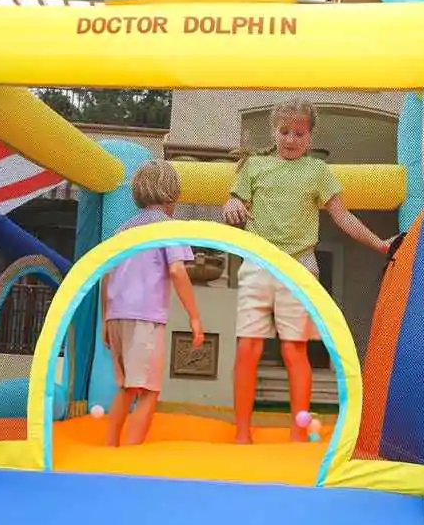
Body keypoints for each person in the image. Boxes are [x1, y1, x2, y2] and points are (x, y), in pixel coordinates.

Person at [223, 99, 395, 444]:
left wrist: (379, 244)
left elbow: (342, 216)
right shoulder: (254, 166)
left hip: (300, 264)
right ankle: (242, 432)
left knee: (294, 349)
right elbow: (234, 202)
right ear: (274, 131)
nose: (291, 139)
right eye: (284, 131)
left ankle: (297, 434)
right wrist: (232, 202)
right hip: (259, 261)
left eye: (299, 134)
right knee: (248, 347)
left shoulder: (317, 171)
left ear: (310, 135)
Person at [101, 159, 204, 447]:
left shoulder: (124, 230)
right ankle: (130, 452)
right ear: (172, 195)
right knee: (148, 391)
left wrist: (106, 320)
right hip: (145, 317)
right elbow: (177, 271)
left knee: (127, 387)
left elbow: (107, 276)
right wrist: (194, 317)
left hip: (117, 314)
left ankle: (110, 446)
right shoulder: (168, 228)